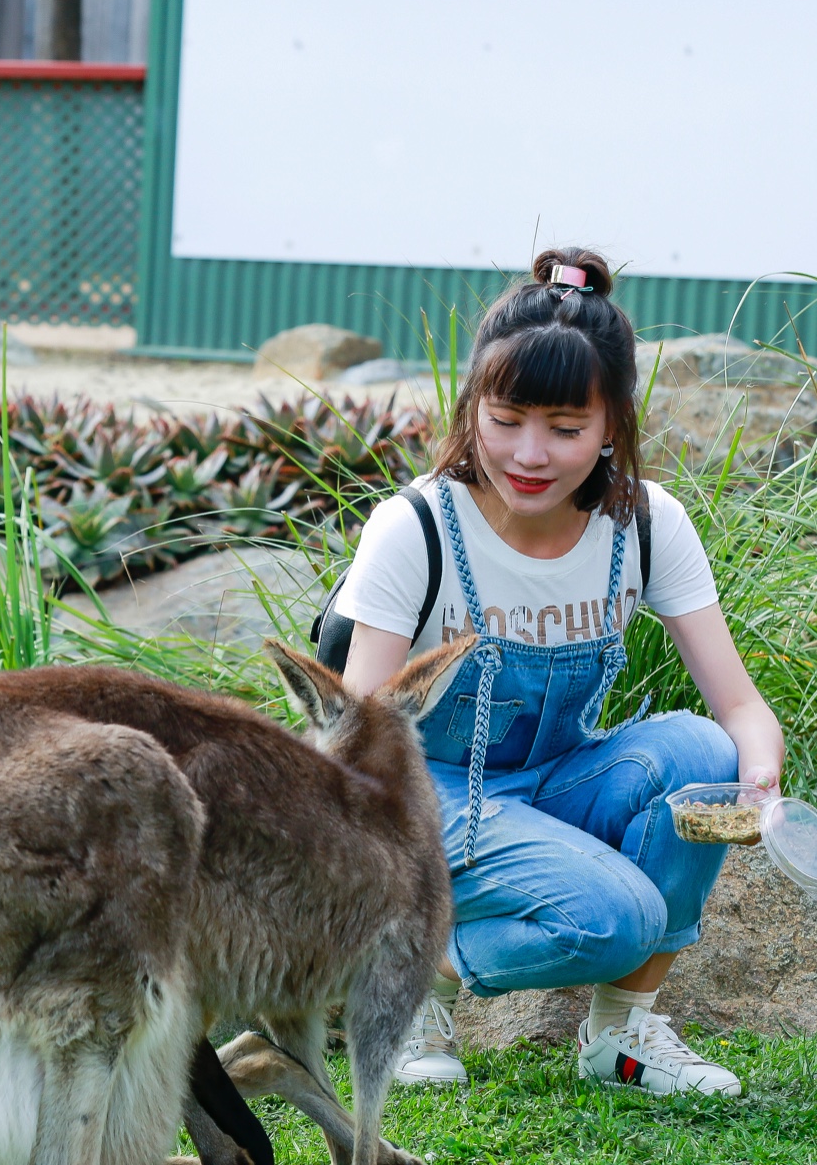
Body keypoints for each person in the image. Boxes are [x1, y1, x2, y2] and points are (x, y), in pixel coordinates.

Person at [332, 248, 785, 1095]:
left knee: (703, 757)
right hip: (417, 799)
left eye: (566, 429)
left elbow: (741, 709)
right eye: (505, 420)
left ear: (613, 423)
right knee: (622, 918)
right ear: (473, 408)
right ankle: (401, 980)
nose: (529, 454)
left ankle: (623, 1037)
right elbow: (360, 748)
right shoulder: (418, 529)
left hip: (551, 780)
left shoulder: (646, 525)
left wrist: (759, 779)